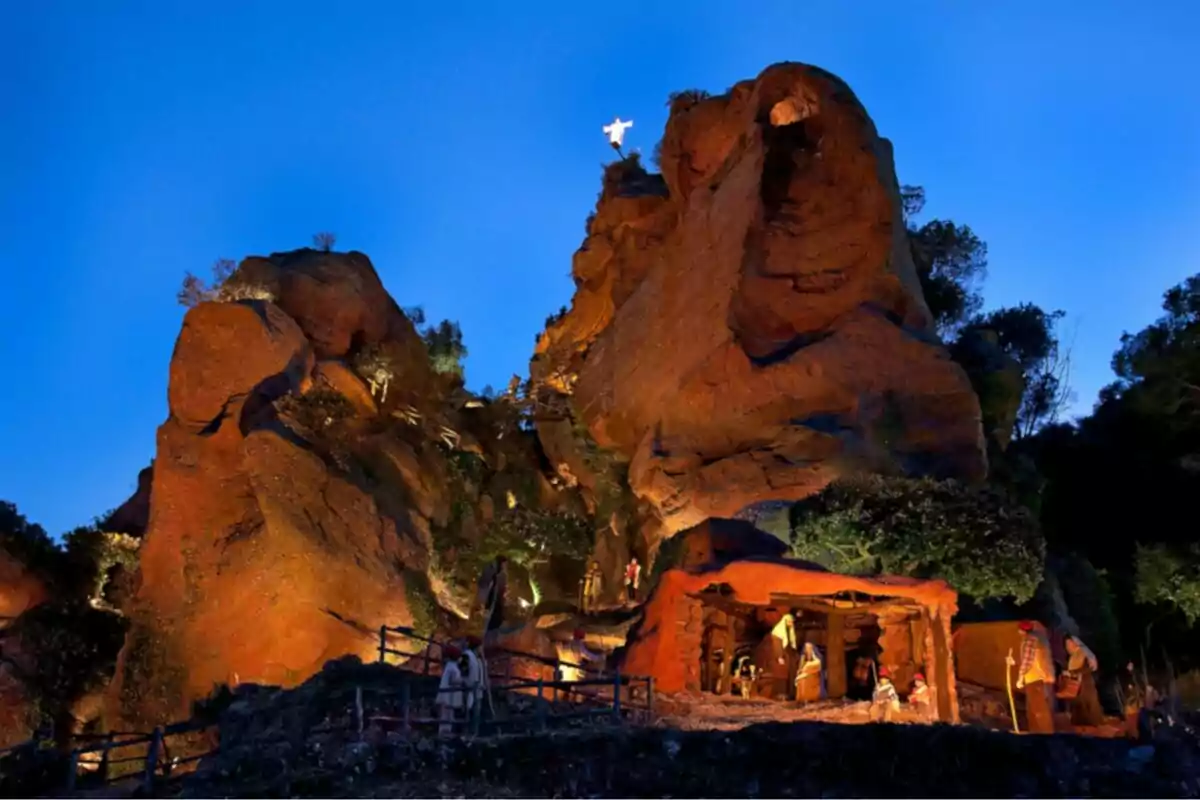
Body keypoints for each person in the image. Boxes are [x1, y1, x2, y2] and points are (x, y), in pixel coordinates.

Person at [1015, 620, 1056, 734]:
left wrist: (1020, 678)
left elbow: (1027, 661)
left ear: (1021, 630)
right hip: (1036, 678)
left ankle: (1046, 735)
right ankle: (1036, 735)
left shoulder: (1030, 639)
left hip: (1034, 678)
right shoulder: (1038, 638)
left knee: (1039, 711)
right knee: (1033, 710)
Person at [1062, 634, 1104, 726]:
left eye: (1070, 643)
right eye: (1066, 644)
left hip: (1086, 682)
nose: (1068, 647)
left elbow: (1088, 667)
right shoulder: (1073, 656)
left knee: (1088, 705)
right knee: (1079, 705)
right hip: (1076, 684)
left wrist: (1073, 673)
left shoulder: (1083, 653)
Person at [436, 645, 465, 737]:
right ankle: (445, 735)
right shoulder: (452, 668)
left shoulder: (450, 666)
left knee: (447, 716)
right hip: (449, 697)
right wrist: (462, 681)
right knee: (447, 717)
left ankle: (445, 734)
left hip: (448, 696)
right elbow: (452, 680)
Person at [478, 555, 508, 636]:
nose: (505, 567)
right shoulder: (497, 574)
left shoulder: (498, 574)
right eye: (504, 564)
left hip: (493, 603)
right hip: (492, 603)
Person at [461, 635, 485, 735]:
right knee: (467, 713)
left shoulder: (478, 660)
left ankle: (474, 733)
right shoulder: (466, 656)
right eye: (480, 647)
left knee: (476, 714)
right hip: (469, 689)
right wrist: (466, 685)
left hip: (478, 691)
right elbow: (462, 672)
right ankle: (465, 733)